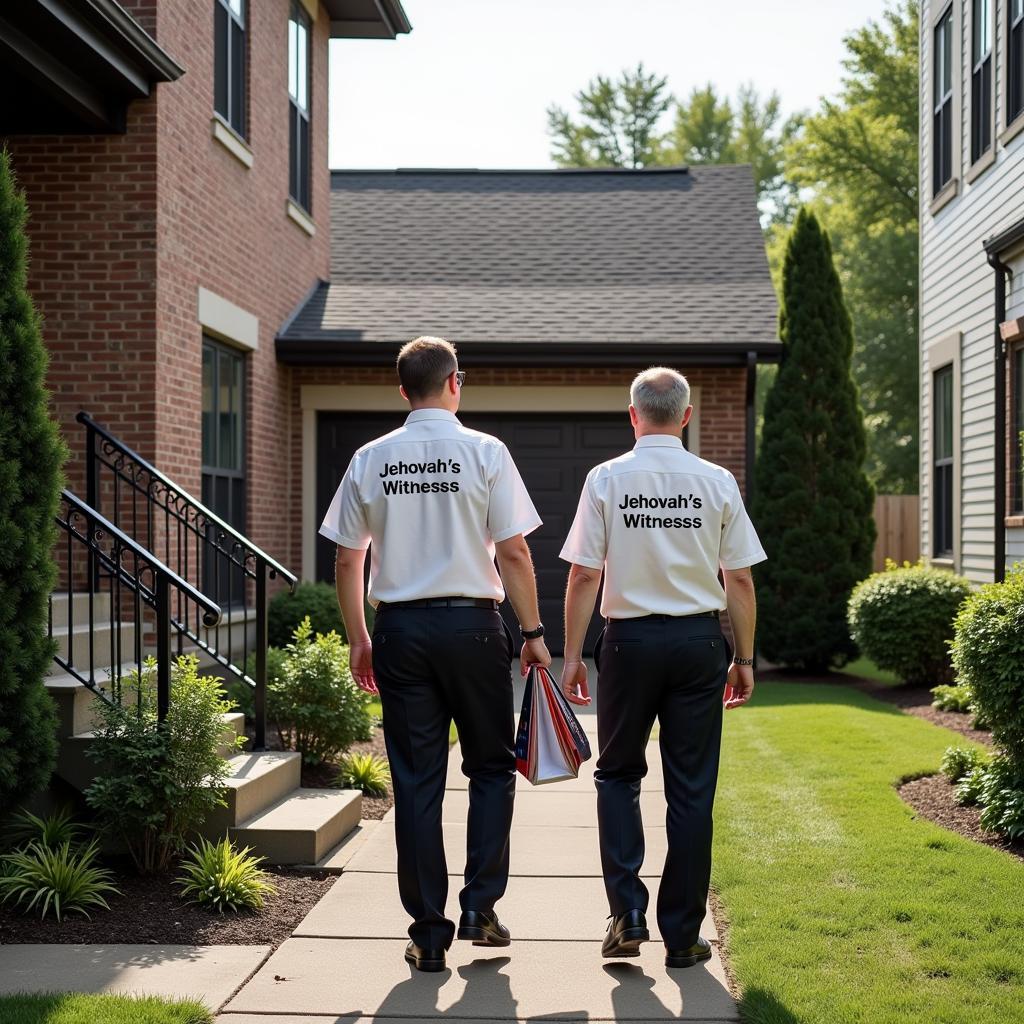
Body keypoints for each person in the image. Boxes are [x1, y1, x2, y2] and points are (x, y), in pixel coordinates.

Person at [320, 336, 551, 974]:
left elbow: (346, 557)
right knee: (490, 768)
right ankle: (480, 908)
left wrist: (358, 637)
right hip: (474, 630)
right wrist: (533, 634)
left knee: (417, 782)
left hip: (399, 632)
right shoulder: (486, 452)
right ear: (456, 382)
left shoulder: (371, 458)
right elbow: (514, 552)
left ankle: (427, 931)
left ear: (403, 390)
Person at [558, 366, 764, 970]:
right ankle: (681, 935)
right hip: (699, 644)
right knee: (691, 791)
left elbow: (584, 574)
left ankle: (625, 912)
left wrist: (573, 655)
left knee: (618, 775)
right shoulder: (717, 481)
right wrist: (743, 658)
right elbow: (742, 579)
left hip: (627, 646)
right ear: (687, 416)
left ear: (633, 415)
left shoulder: (607, 479)